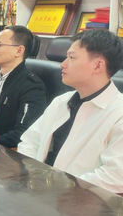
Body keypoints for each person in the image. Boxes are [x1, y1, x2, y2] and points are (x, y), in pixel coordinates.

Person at [18, 29, 123, 194]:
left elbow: (115, 176)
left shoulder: (118, 113)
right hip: (38, 192)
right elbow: (30, 141)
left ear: (98, 66)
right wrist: (35, 175)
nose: (63, 64)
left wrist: (61, 186)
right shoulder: (61, 101)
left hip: (81, 201)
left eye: (72, 58)